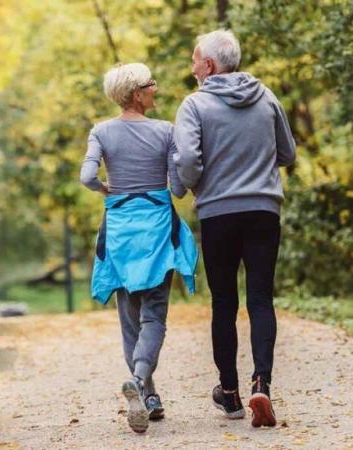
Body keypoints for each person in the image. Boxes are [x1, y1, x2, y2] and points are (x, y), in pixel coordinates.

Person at [173, 29, 296, 428]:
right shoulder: (268, 97)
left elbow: (188, 160)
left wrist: (192, 186)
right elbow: (287, 152)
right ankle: (263, 382)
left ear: (208, 65)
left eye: (195, 60)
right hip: (264, 209)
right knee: (260, 298)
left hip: (219, 213)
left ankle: (230, 394)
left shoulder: (195, 105)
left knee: (224, 303)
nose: (192, 67)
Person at [80, 63, 198, 434]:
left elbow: (86, 177)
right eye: (150, 84)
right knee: (154, 316)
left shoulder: (101, 132)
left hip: (119, 231)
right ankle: (142, 377)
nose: (156, 89)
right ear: (136, 93)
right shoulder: (166, 131)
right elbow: (178, 189)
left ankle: (146, 394)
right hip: (157, 229)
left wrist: (106, 189)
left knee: (129, 317)